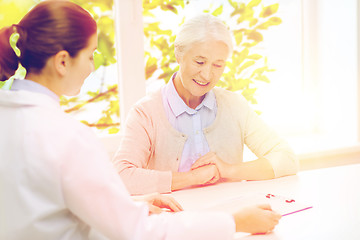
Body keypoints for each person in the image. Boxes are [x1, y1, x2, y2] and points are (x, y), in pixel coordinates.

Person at [0, 1, 281, 239]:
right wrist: (234, 222)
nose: (92, 66)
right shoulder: (67, 137)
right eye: (90, 55)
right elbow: (138, 231)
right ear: (62, 61)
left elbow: (49, 206)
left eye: (217, 64)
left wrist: (130, 203)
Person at [113, 13, 299, 195]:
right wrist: (191, 178)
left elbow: (287, 158)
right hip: (175, 223)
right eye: (200, 62)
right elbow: (121, 177)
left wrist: (227, 170)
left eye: (218, 65)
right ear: (179, 54)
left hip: (231, 219)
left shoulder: (234, 105)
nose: (207, 75)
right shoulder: (146, 113)